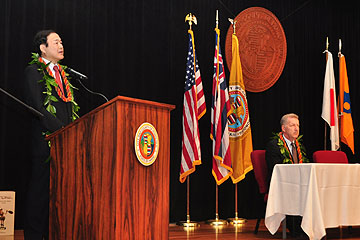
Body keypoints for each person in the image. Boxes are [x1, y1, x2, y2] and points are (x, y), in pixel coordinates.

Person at [23, 30, 78, 239]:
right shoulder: (34, 71)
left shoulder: (64, 75)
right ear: (42, 47)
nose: (61, 45)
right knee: (40, 193)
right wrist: (62, 130)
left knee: (59, 194)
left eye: (61, 42)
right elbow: (37, 107)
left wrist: (72, 131)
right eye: (56, 42)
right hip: (44, 142)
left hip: (65, 142)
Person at [265, 113, 309, 237]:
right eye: (292, 125)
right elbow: (276, 169)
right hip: (280, 184)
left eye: (298, 126)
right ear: (284, 128)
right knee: (293, 191)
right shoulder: (274, 145)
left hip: (299, 184)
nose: (296, 129)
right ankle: (296, 230)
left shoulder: (300, 146)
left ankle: (309, 226)